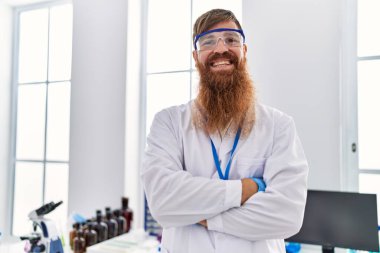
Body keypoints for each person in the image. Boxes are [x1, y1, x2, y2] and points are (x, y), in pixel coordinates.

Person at [141, 9, 309, 253]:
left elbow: (287, 215)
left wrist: (203, 216)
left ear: (245, 51)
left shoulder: (279, 126)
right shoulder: (168, 123)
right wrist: (248, 188)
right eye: (208, 41)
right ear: (196, 56)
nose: (221, 49)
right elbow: (163, 202)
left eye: (231, 39)